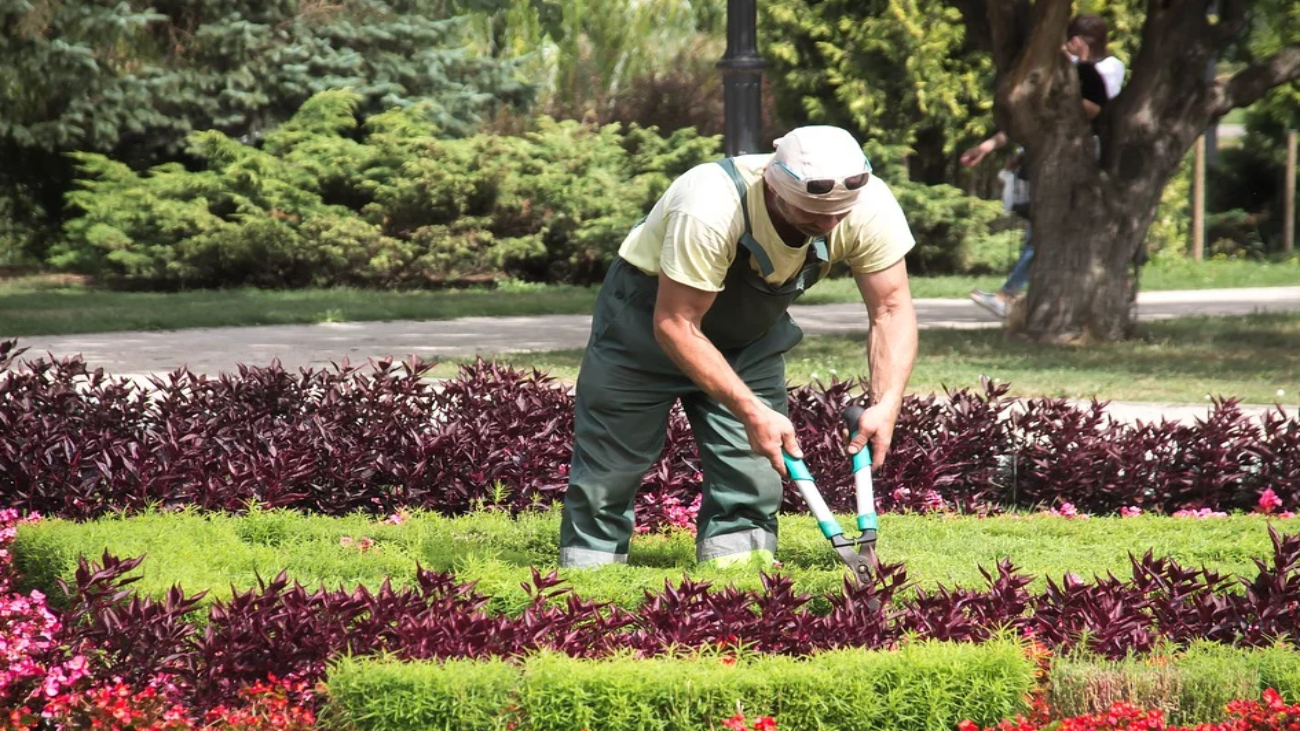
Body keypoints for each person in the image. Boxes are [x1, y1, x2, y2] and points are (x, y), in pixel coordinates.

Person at [559, 125, 918, 568]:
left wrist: (886, 403)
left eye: (839, 215)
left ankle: (739, 582)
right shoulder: (710, 205)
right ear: (774, 185)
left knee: (752, 474)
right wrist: (750, 409)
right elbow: (676, 323)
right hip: (645, 328)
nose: (829, 224)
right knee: (610, 471)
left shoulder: (867, 204)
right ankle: (590, 581)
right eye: (812, 214)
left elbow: (891, 308)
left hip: (749, 339)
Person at [964, 15, 1123, 319]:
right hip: (1052, 159)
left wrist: (1081, 63)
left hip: (1084, 158)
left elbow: (1090, 109)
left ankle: (1009, 294)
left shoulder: (1107, 68)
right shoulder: (1070, 70)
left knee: (1048, 231)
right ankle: (1013, 295)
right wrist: (992, 147)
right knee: (1043, 227)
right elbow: (1039, 118)